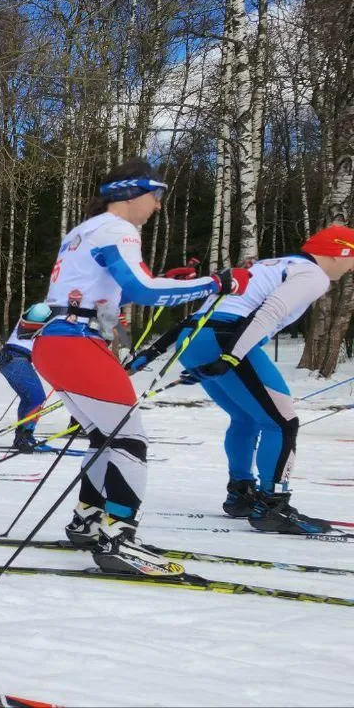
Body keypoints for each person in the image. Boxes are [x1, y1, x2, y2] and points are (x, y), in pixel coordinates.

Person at [30, 158, 249, 576]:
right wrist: (217, 282)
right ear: (132, 193)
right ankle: (119, 537)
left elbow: (108, 286)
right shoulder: (118, 228)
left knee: (103, 436)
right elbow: (141, 290)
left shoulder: (84, 229)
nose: (158, 206)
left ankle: (87, 521)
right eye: (156, 195)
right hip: (77, 344)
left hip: (57, 341)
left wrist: (172, 279)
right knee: (129, 440)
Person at [130, 223, 354, 534]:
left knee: (246, 418)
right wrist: (231, 357)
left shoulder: (274, 264)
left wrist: (154, 351)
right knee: (282, 422)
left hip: (196, 337)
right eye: (351, 258)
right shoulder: (313, 274)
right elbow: (271, 311)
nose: (350, 267)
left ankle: (241, 494)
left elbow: (212, 306)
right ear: (340, 252)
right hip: (226, 338)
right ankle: (273, 505)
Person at [0, 304, 51, 453]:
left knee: (29, 399)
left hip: (9, 360)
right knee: (37, 399)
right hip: (16, 360)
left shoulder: (28, 317)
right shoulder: (44, 321)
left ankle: (23, 436)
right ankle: (24, 436)